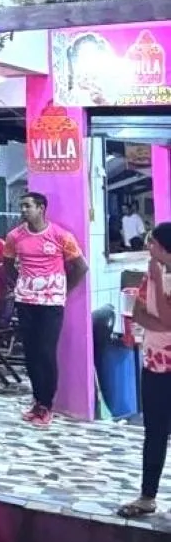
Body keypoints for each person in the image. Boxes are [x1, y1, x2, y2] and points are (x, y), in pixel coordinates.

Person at [4, 192, 88, 427]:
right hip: (26, 302)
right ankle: (37, 401)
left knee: (45, 352)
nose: (23, 210)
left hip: (51, 304)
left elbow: (81, 267)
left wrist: (61, 290)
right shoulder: (14, 236)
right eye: (21, 206)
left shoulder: (60, 236)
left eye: (27, 206)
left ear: (41, 208)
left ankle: (46, 405)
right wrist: (19, 284)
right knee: (30, 354)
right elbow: (7, 264)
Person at [117, 222, 171, 518]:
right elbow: (138, 312)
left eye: (152, 244)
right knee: (155, 432)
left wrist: (158, 282)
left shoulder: (158, 276)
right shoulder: (152, 275)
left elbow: (166, 316)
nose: (148, 248)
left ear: (162, 247)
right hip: (154, 363)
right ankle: (147, 496)